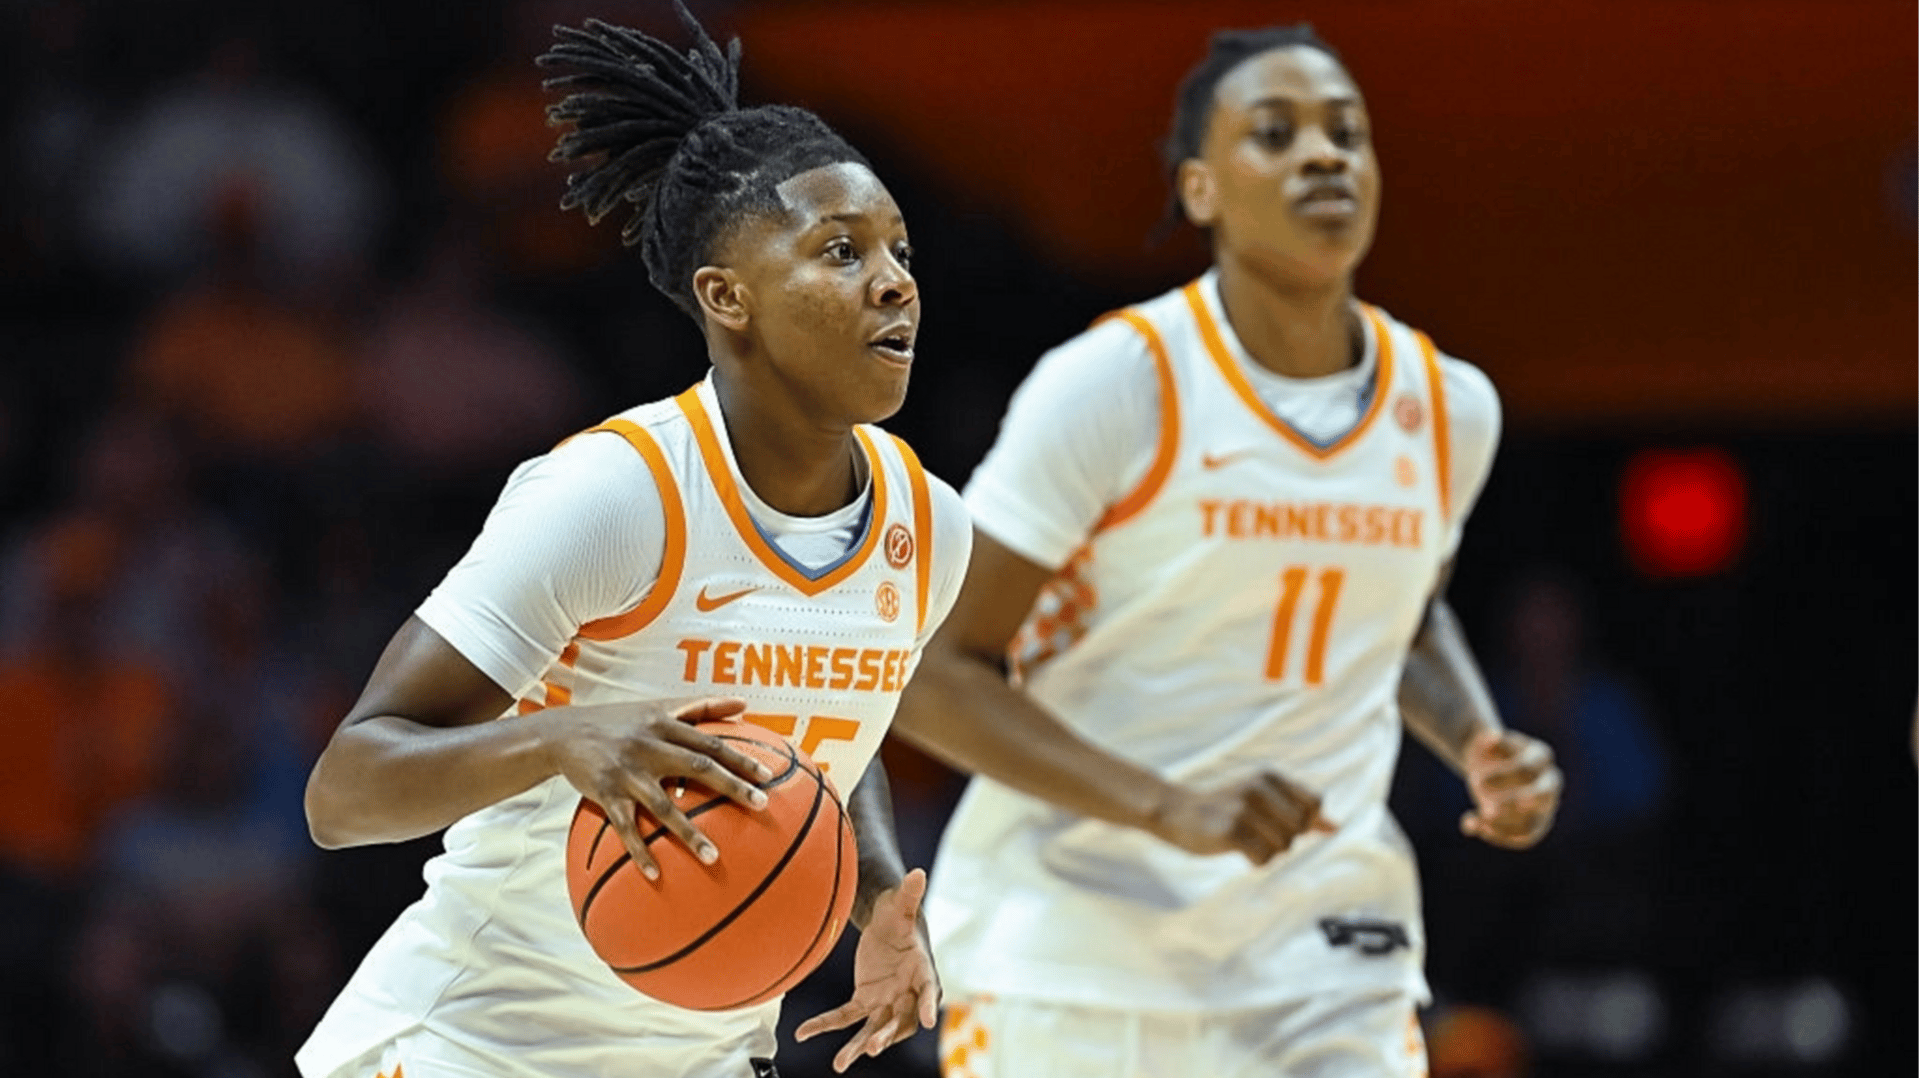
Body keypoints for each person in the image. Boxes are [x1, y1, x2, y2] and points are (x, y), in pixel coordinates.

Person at [294, 8, 969, 1077]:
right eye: (842, 251)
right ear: (727, 298)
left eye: (899, 250)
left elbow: (843, 719)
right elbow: (344, 791)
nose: (895, 282)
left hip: (702, 1056)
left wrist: (878, 885)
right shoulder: (616, 495)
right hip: (469, 1043)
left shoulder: (927, 524)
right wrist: (559, 738)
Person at [892, 24, 1563, 1077]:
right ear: (1200, 189)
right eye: (1277, 133)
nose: (1323, 155)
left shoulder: (1449, 407)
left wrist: (1476, 741)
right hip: (1077, 948)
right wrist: (1173, 805)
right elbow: (930, 674)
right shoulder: (1119, 382)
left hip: (1324, 947)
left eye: (1348, 133)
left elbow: (1400, 611)